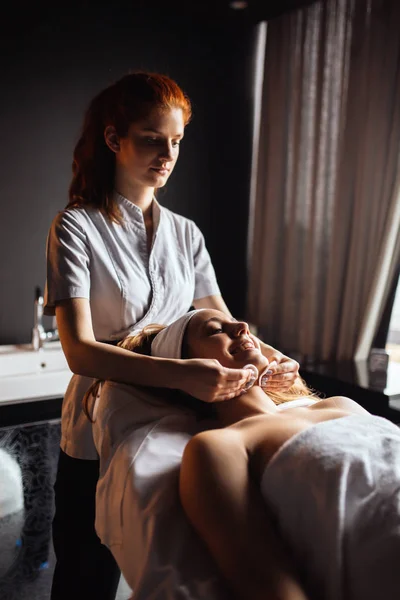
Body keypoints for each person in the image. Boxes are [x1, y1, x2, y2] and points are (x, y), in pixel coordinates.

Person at [44, 71, 300, 600]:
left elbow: (223, 320)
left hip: (171, 419)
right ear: (115, 139)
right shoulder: (76, 227)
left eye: (177, 142)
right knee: (83, 581)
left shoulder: (186, 234)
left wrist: (274, 359)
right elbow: (78, 351)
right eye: (152, 139)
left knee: (177, 565)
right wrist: (183, 373)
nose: (167, 154)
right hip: (98, 428)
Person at [105, 308, 400, 600]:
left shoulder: (340, 405)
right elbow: (271, 587)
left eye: (235, 323)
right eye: (214, 330)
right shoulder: (221, 448)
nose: (242, 327)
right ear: (186, 368)